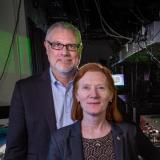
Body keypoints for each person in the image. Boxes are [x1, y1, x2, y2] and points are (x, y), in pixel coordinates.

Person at [48, 63, 160, 160]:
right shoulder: (59, 139)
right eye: (86, 87)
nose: (94, 95)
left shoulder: (130, 133)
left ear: (111, 95)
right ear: (77, 95)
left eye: (101, 88)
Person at [4, 21, 83, 160]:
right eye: (57, 45)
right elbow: (15, 149)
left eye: (71, 46)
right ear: (47, 47)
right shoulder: (25, 90)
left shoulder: (97, 87)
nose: (64, 52)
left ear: (80, 50)